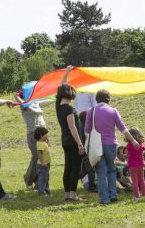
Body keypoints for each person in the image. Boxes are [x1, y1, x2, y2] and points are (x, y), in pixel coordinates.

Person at [84, 89, 139, 204]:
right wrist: (133, 140)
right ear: (108, 99)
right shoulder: (113, 111)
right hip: (111, 144)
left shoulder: (91, 111)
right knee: (112, 170)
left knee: (101, 172)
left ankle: (104, 198)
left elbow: (86, 131)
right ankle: (113, 195)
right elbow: (122, 128)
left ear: (96, 99)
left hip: (97, 145)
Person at [14, 88, 54, 189]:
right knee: (37, 157)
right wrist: (17, 96)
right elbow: (23, 103)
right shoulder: (24, 104)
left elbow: (49, 101)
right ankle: (29, 179)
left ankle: (38, 182)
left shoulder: (36, 103)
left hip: (43, 134)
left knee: (43, 157)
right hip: (33, 134)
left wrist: (57, 96)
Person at [56, 66, 85, 201]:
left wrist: (67, 71)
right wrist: (80, 143)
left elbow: (61, 86)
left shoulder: (58, 105)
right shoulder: (69, 108)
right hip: (73, 141)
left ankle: (67, 194)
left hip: (65, 141)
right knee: (75, 168)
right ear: (70, 94)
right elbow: (73, 127)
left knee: (67, 167)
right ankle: (73, 194)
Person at [125, 128, 145, 201]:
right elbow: (143, 152)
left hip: (132, 165)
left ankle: (137, 196)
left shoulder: (129, 145)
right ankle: (144, 194)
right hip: (140, 164)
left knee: (135, 181)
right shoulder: (141, 144)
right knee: (142, 179)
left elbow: (127, 155)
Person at [34, 127, 51, 196]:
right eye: (46, 134)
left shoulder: (43, 143)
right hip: (42, 165)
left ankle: (46, 191)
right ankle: (41, 192)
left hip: (46, 164)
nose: (47, 136)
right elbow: (39, 154)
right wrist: (42, 162)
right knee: (43, 178)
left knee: (46, 177)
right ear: (41, 135)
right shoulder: (40, 144)